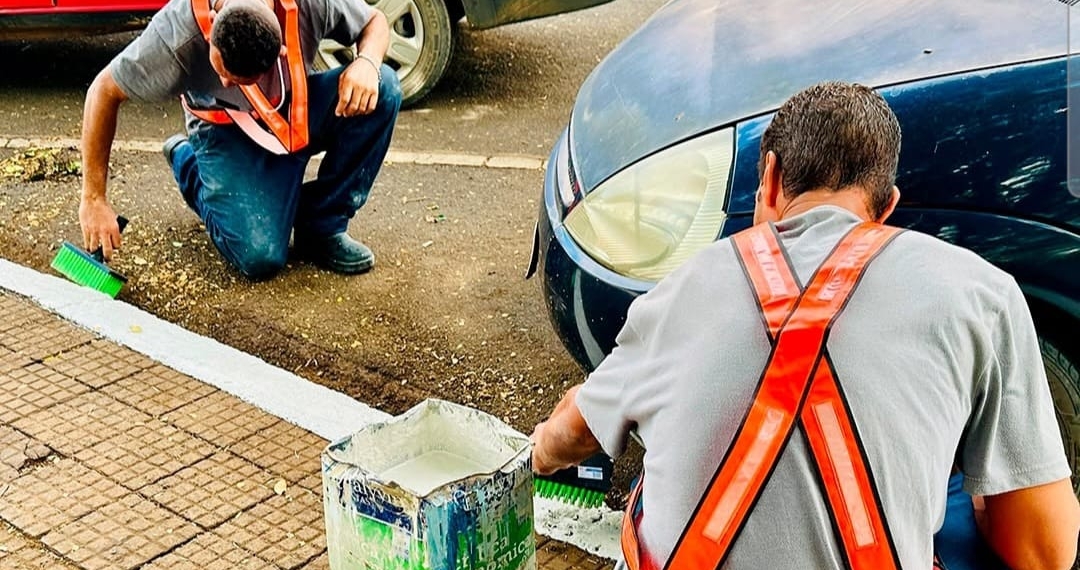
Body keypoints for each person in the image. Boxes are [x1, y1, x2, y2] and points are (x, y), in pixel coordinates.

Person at [530, 82, 1079, 569]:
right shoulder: (982, 293)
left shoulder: (685, 286)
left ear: (768, 181)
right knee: (963, 484)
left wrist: (536, 455)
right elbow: (1045, 553)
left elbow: (575, 428)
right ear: (886, 208)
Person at [79, 0, 401, 280]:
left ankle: (321, 227)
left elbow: (375, 21)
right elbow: (103, 91)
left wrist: (367, 62)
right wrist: (93, 199)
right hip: (224, 133)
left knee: (383, 86)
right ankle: (188, 163)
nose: (223, 81)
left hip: (293, 108)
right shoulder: (176, 32)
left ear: (280, 52)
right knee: (259, 258)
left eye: (235, 79)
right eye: (221, 69)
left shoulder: (313, 3)